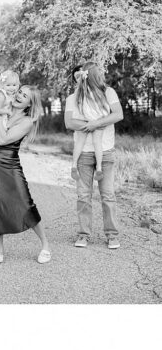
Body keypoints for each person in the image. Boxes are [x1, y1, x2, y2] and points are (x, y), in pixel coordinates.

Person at [0, 85, 52, 265]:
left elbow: (3, 140)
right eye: (20, 92)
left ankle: (45, 246)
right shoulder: (4, 107)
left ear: (29, 103)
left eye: (25, 96)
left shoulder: (27, 121)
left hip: (9, 165)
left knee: (25, 203)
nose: (19, 96)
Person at [64, 61, 123, 250]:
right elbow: (69, 123)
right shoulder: (73, 97)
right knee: (83, 197)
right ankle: (83, 235)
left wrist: (94, 124)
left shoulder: (109, 92)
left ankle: (112, 235)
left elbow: (118, 115)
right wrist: (91, 123)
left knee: (108, 195)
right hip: (83, 154)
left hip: (105, 152)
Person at [68, 67, 106, 183]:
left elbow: (79, 105)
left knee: (79, 142)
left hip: (85, 119)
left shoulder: (79, 91)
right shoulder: (98, 89)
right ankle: (99, 167)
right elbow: (103, 104)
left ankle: (74, 164)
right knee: (97, 142)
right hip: (97, 118)